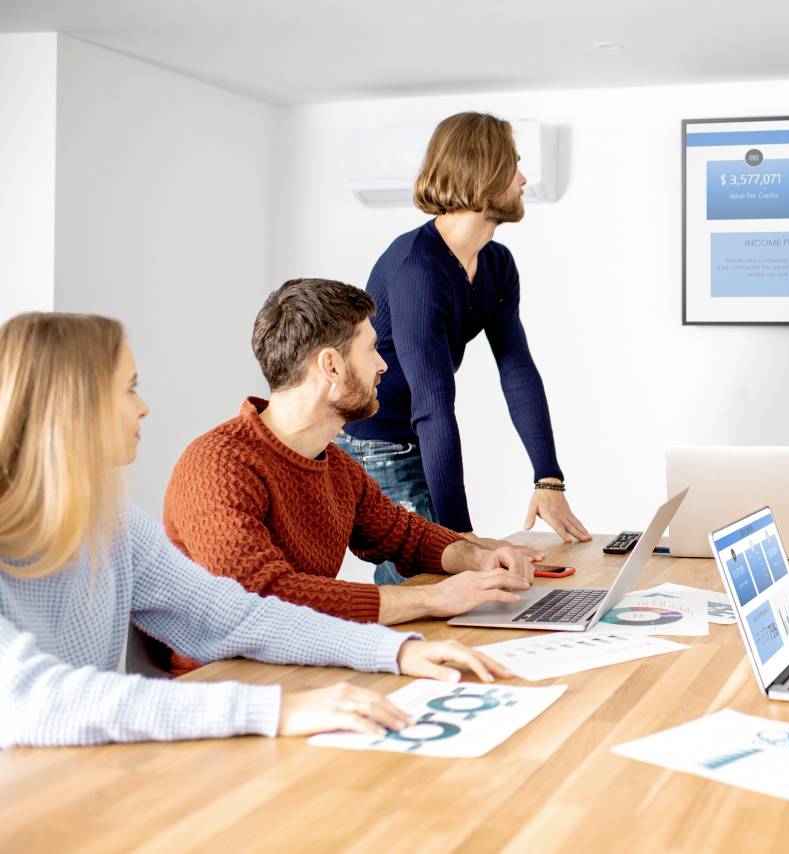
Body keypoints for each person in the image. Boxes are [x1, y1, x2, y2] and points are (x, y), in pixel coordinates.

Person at [0, 312, 510, 748]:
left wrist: (397, 651)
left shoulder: (111, 523)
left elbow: (235, 615)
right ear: (71, 405)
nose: (144, 406)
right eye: (128, 388)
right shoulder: (216, 462)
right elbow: (31, 698)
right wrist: (276, 710)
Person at [163, 280, 535, 675]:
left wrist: (478, 558)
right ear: (331, 365)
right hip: (225, 683)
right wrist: (432, 599)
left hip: (304, 665)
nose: (383, 365)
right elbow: (264, 596)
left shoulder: (336, 467)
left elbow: (405, 536)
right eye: (371, 348)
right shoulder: (218, 465)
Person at [338, 111, 588, 585]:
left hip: (419, 428)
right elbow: (433, 408)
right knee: (431, 580)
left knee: (455, 574)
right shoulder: (417, 268)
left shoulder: (496, 264)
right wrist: (460, 537)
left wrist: (548, 479)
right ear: (483, 173)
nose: (523, 178)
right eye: (512, 165)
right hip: (377, 440)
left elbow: (517, 370)